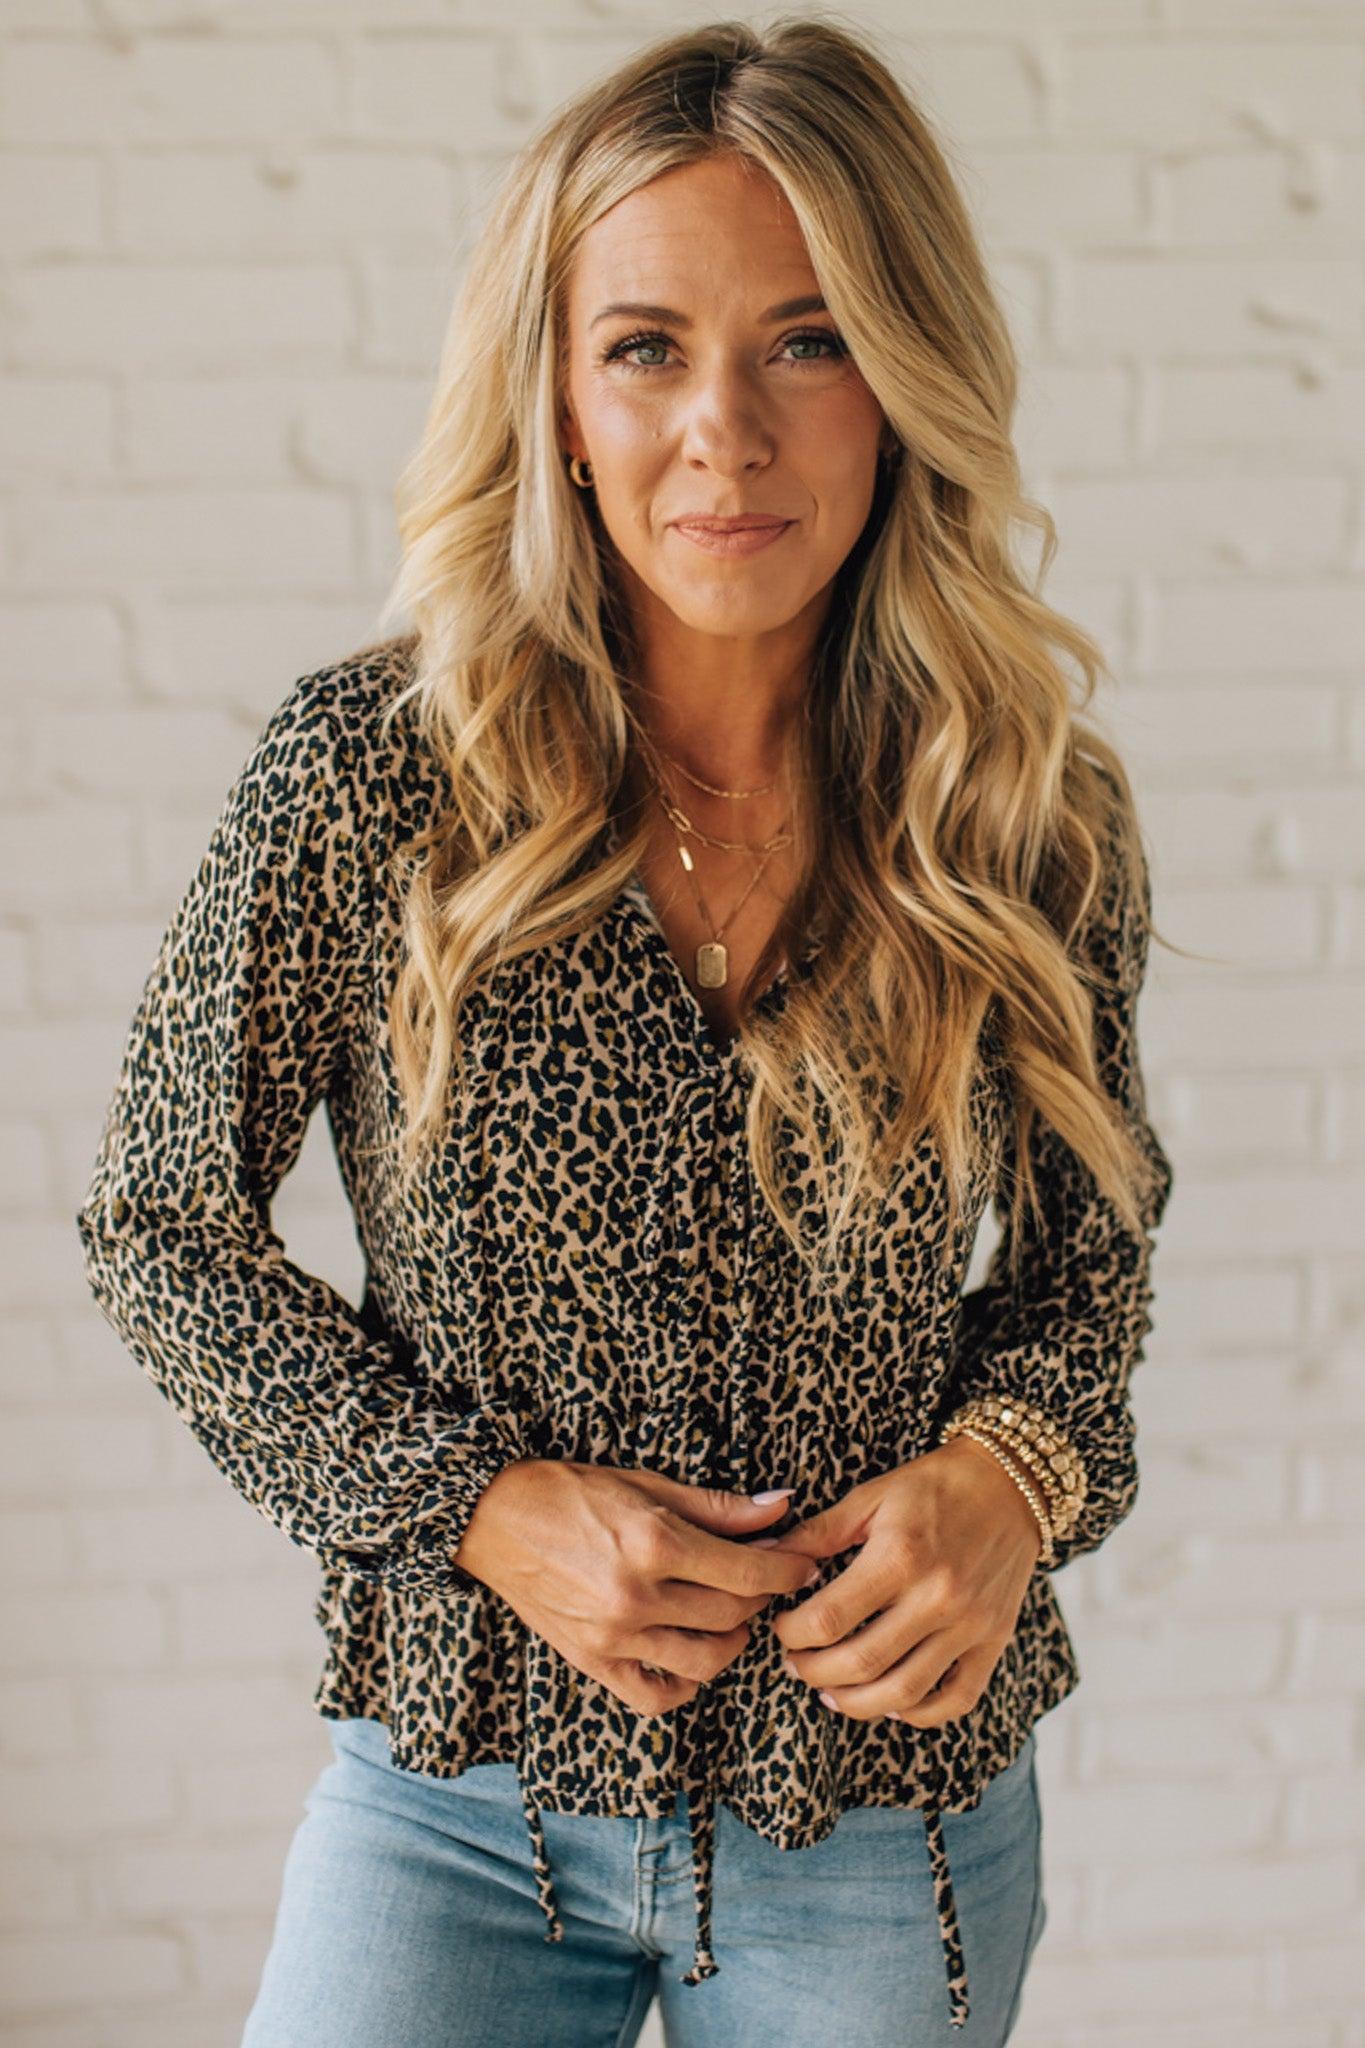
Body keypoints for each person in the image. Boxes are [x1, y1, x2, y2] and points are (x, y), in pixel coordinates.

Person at [74, 17, 1174, 2047]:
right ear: (559, 400)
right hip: (455, 1796)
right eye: (647, 348)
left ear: (902, 378)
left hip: (884, 1810)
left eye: (806, 341)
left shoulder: (1019, 808)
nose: (723, 436)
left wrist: (1007, 1478)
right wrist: (473, 1506)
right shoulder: (370, 774)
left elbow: (1084, 1267)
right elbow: (159, 1224)